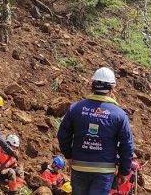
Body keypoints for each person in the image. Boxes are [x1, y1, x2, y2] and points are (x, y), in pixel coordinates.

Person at [57, 67, 134, 195]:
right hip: (104, 171)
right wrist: (124, 171)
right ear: (112, 88)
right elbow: (127, 146)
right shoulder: (119, 115)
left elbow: (63, 135)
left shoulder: (75, 109)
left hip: (79, 166)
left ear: (92, 85)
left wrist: (69, 156)